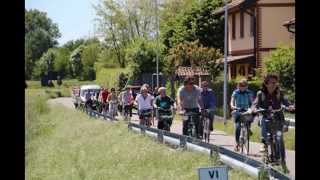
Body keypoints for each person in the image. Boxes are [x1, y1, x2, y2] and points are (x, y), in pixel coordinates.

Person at [252, 73, 294, 153]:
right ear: (266, 83)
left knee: (279, 135)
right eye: (273, 82)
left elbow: (285, 101)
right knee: (264, 122)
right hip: (266, 116)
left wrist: (290, 106)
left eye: (276, 82)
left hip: (278, 116)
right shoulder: (261, 93)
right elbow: (255, 103)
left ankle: (280, 155)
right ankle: (264, 143)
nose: (275, 84)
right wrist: (253, 109)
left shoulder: (279, 92)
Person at [230, 79, 254, 152]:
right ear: (238, 86)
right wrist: (232, 106)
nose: (242, 87)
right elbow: (232, 101)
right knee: (237, 127)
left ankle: (248, 128)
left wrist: (251, 108)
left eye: (244, 85)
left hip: (246, 110)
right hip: (238, 110)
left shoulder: (249, 93)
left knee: (250, 116)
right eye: (240, 85)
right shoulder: (235, 92)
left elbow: (252, 102)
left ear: (246, 86)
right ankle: (237, 143)